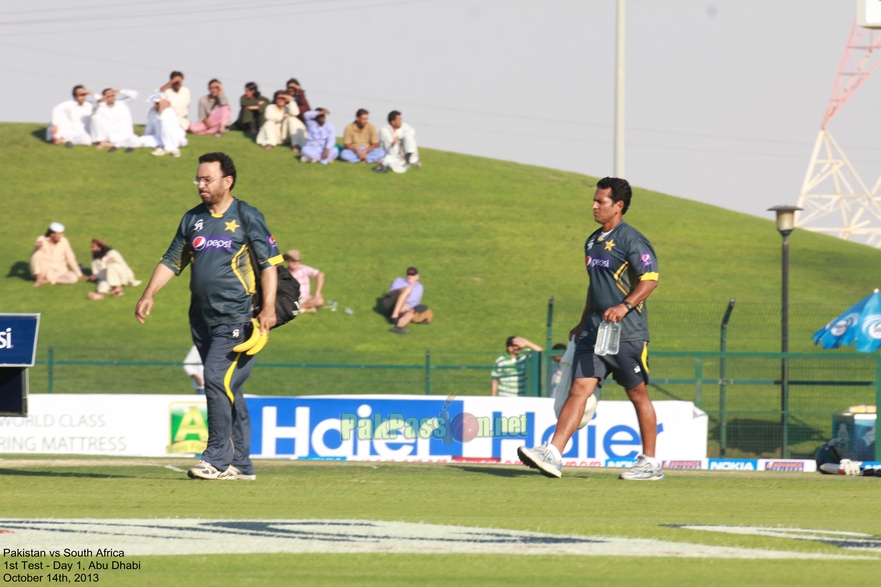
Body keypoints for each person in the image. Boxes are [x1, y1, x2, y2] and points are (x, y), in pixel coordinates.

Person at [135, 152, 283, 481]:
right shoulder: (193, 220)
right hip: (201, 320)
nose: (201, 185)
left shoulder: (247, 216)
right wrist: (148, 294)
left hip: (237, 319)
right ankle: (242, 464)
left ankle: (215, 458)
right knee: (228, 387)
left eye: (207, 179)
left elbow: (270, 264)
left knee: (216, 379)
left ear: (227, 181)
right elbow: (173, 260)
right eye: (198, 179)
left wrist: (269, 308)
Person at [518, 177, 661, 481]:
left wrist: (624, 306)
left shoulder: (632, 240)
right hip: (594, 333)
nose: (594, 206)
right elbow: (595, 287)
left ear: (618, 206)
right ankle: (553, 454)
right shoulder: (592, 240)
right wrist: (583, 322)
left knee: (638, 395)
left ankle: (650, 462)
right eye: (594, 200)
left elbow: (650, 279)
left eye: (601, 201)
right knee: (579, 389)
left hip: (628, 333)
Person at [29, 222, 85, 286]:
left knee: (73, 278)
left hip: (58, 271)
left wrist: (79, 274)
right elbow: (37, 245)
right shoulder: (42, 239)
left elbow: (70, 258)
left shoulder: (64, 241)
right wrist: (38, 246)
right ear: (52, 234)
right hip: (44, 270)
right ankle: (38, 279)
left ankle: (48, 280)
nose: (62, 236)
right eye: (60, 234)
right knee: (36, 253)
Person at [142, 92, 189, 157]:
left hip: (174, 139)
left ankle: (169, 148)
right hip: (160, 138)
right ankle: (162, 146)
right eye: (155, 103)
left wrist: (162, 105)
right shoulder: (153, 111)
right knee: (142, 140)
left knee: (164, 124)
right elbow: (150, 128)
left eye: (158, 103)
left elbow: (163, 120)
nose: (156, 106)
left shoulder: (169, 111)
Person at [383, 267, 423, 334]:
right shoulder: (399, 281)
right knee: (408, 289)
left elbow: (416, 302)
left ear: (417, 277)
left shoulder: (419, 287)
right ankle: (394, 316)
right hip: (390, 304)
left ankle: (398, 327)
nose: (410, 276)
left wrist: (412, 309)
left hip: (404, 309)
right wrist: (404, 305)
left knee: (410, 314)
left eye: (412, 275)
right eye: (408, 274)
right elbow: (393, 294)